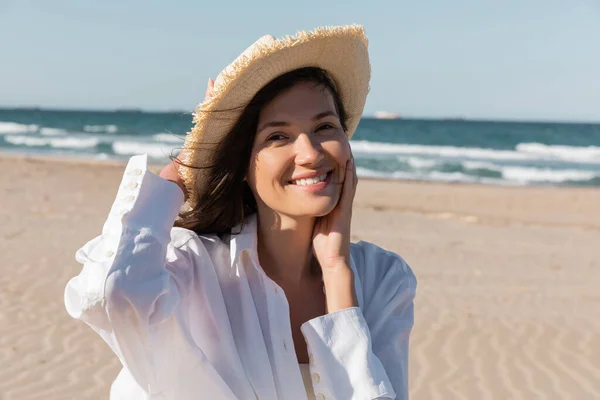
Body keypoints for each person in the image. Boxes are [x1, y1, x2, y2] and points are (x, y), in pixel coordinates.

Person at [64, 25, 417, 400]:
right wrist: (179, 173)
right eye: (277, 136)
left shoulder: (382, 280)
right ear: (244, 165)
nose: (312, 153)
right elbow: (112, 293)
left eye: (325, 127)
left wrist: (337, 271)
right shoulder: (193, 266)